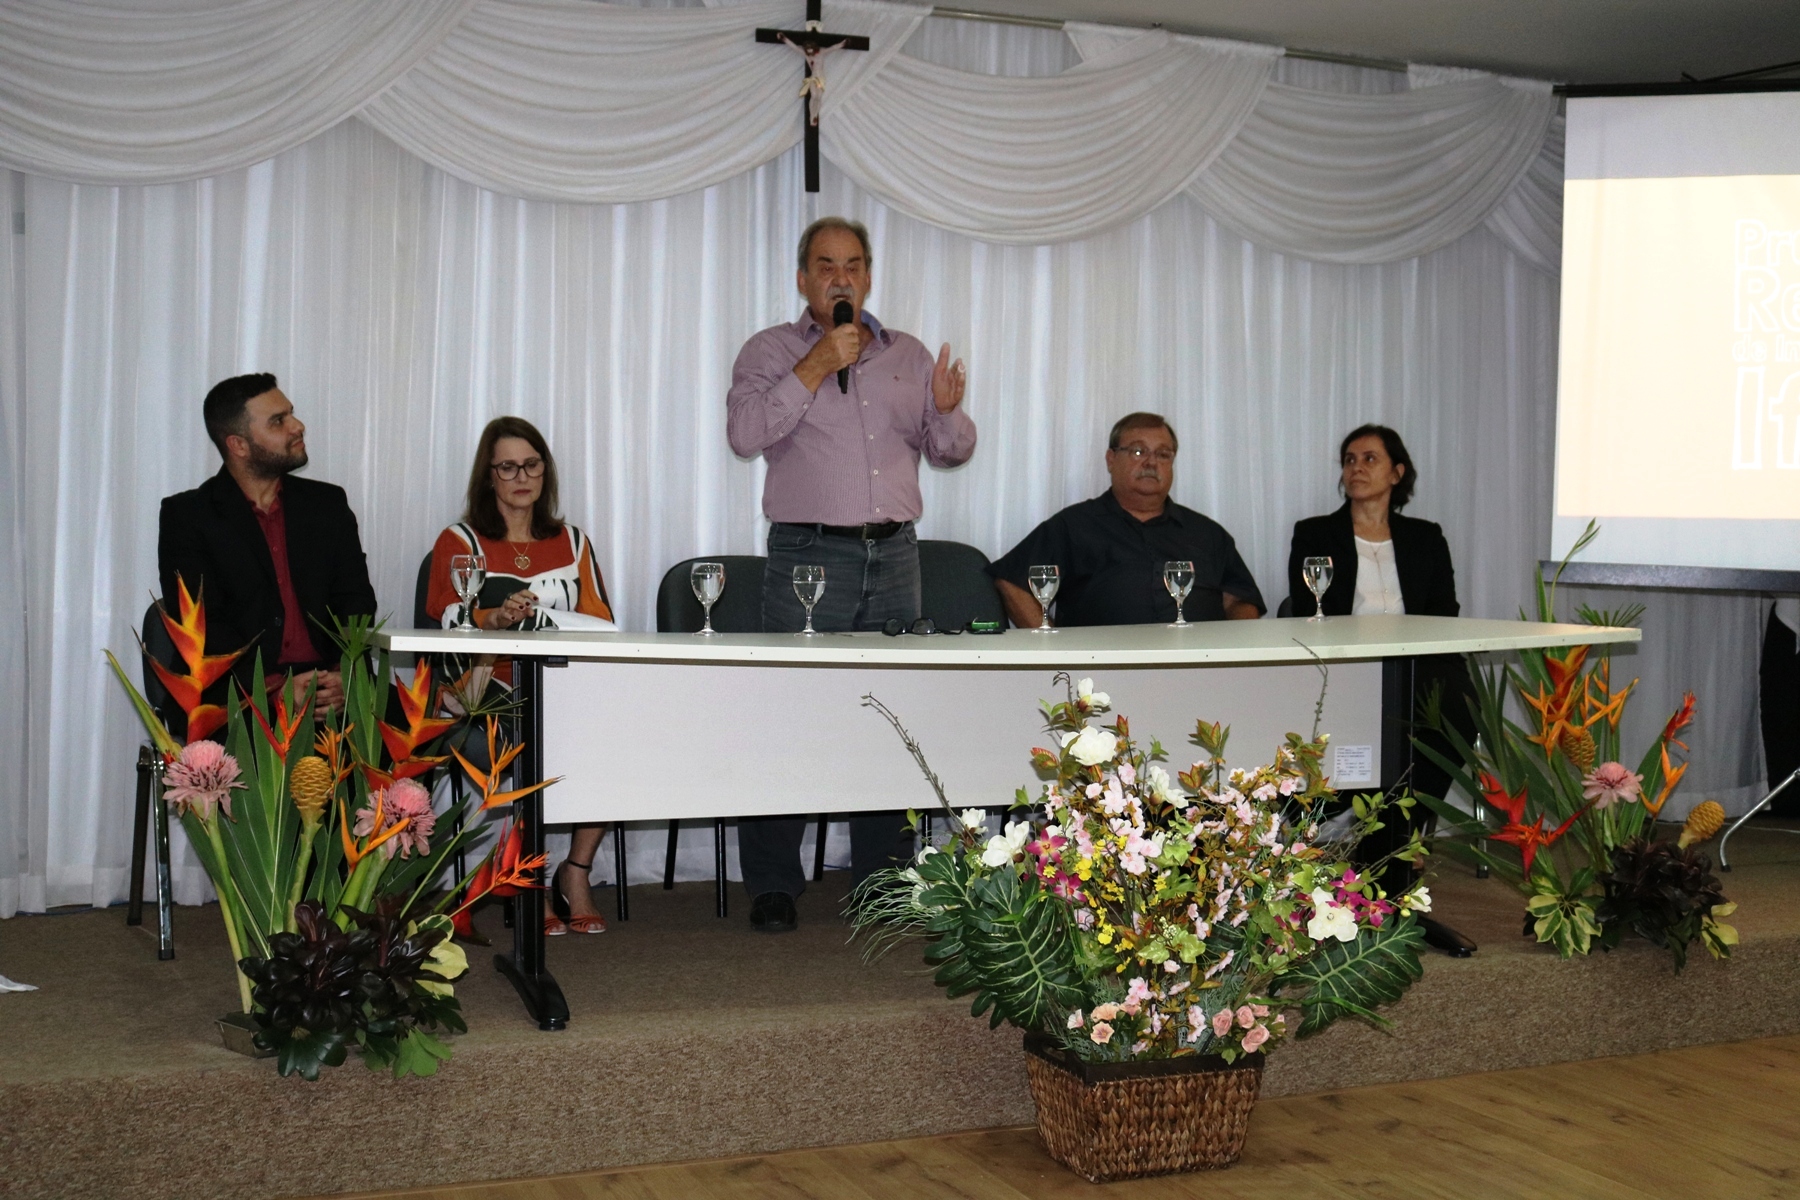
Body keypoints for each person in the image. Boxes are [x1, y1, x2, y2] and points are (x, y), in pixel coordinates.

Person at [726, 216, 975, 933]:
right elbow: (744, 435)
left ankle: (882, 883)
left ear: (869, 276)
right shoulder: (770, 351)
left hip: (896, 554)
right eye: (827, 265)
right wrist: (814, 365)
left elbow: (949, 450)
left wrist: (949, 413)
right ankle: (774, 883)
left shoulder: (909, 355)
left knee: (889, 720)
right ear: (803, 278)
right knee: (791, 719)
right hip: (808, 556)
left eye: (854, 265)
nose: (842, 278)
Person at [1286, 423, 1478, 956]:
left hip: (1417, 665)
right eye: (1349, 459)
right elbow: (1307, 610)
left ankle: (1393, 847)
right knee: (1366, 724)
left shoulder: (1425, 536)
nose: (1356, 468)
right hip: (1348, 666)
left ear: (1397, 472)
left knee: (1458, 707)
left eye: (1370, 458)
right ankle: (1376, 859)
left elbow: (1444, 614)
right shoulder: (1315, 533)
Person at [425, 416, 615, 935]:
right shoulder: (459, 540)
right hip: (485, 685)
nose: (521, 477)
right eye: (507, 467)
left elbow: (600, 622)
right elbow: (451, 622)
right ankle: (526, 875)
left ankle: (575, 871)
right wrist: (498, 619)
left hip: (563, 677)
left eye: (531, 465)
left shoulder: (573, 541)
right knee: (533, 734)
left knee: (614, 731)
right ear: (488, 476)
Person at [158, 373, 376, 719]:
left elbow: (356, 601)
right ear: (239, 445)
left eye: (291, 413)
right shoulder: (188, 516)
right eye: (278, 421)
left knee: (419, 728)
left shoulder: (327, 504)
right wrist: (275, 690)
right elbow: (201, 626)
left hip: (331, 687)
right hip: (238, 697)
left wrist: (342, 676)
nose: (298, 426)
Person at [987, 413, 1264, 628]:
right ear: (1111, 459)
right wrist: (1053, 648)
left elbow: (1241, 602)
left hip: (1198, 668)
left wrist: (1230, 654)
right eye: (1138, 451)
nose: (1151, 463)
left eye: (1163, 454)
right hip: (1102, 671)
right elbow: (1012, 582)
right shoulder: (1073, 526)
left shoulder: (1207, 533)